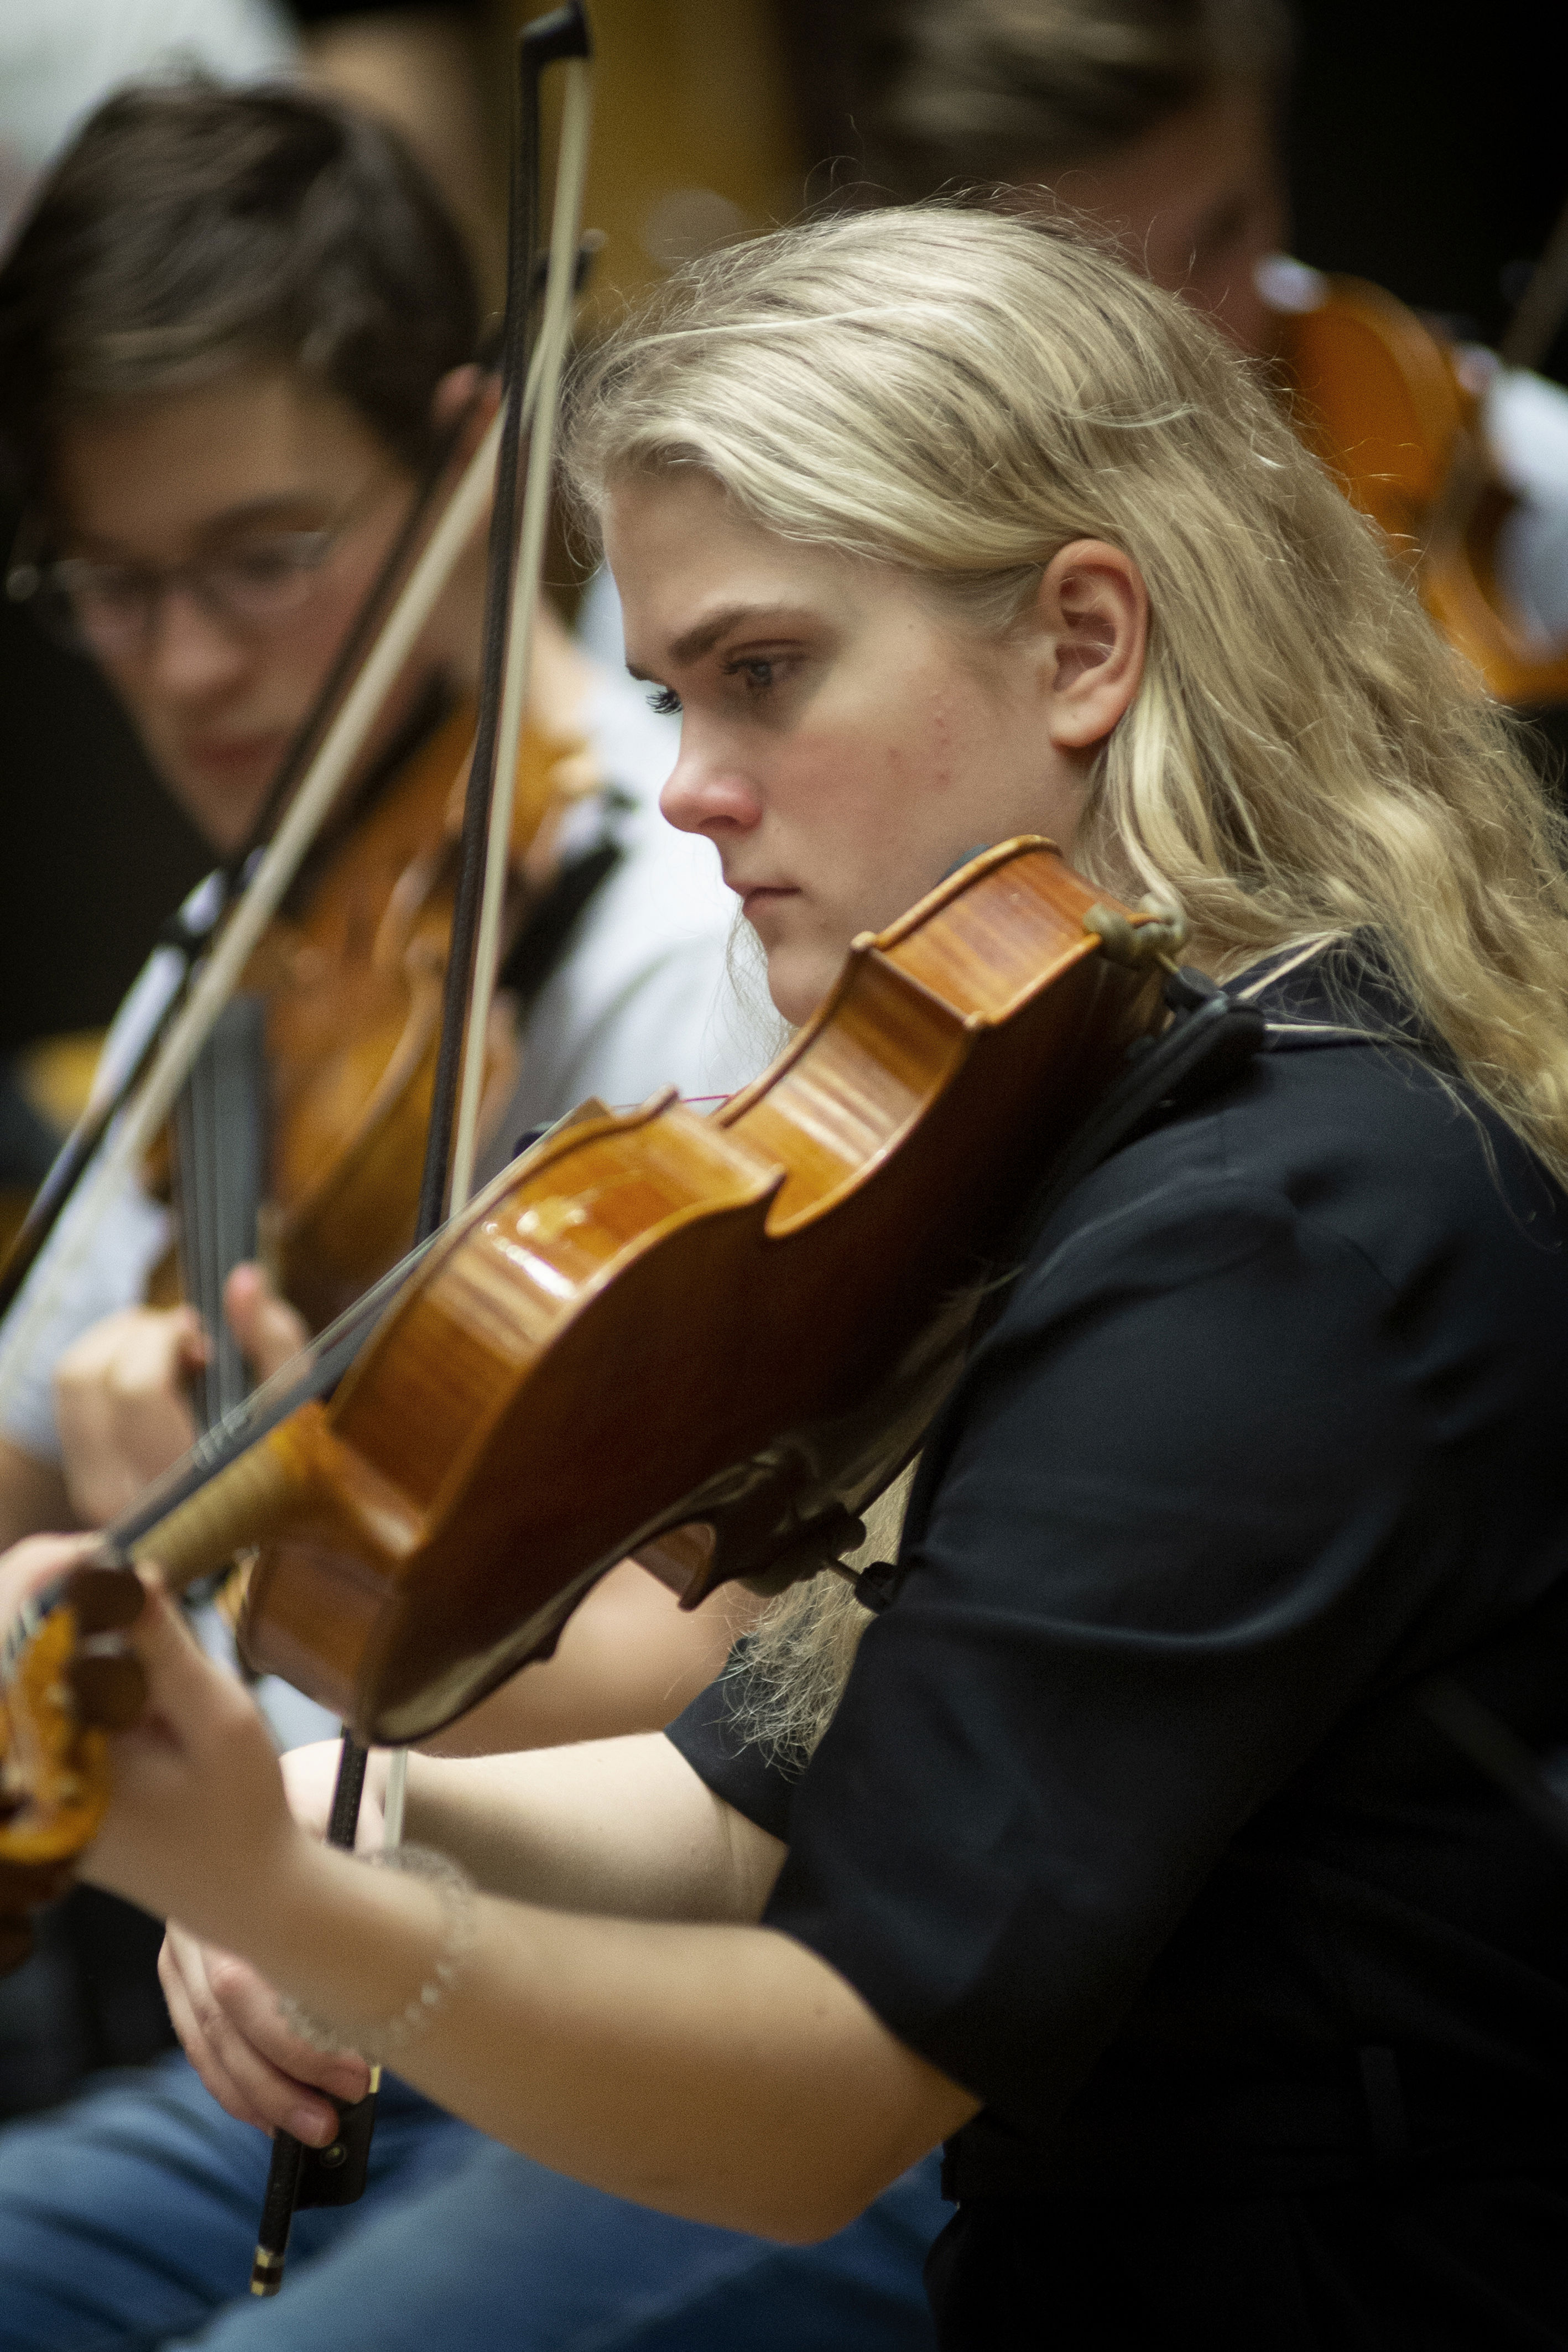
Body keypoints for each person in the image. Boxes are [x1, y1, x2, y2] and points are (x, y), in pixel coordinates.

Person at [6, 199, 1568, 2347]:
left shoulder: (1275, 1232)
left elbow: (824, 2097)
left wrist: (273, 1892)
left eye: (761, 675)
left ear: (1082, 644)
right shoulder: (1097, 1123)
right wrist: (345, 1802)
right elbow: (745, 1807)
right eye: (667, 693)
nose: (685, 792)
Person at [0, 81, 948, 2348]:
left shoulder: (723, 917)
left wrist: (250, 1542)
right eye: (114, 584)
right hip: (320, 2019)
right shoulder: (244, 946)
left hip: (655, 1994)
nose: (189, 662)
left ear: (463, 459)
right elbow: (34, 1471)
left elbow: (744, 1683)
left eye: (262, 555)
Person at [850, 0, 1568, 660]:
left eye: (1224, 232)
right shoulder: (874, 517)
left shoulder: (1451, 427)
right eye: (1106, 282)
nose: (1194, 332)